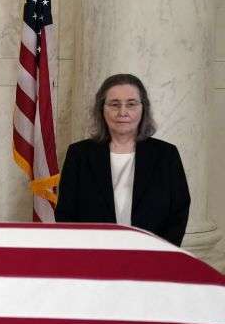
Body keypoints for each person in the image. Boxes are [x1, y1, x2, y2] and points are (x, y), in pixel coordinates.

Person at [55, 74, 190, 246]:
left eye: (131, 104)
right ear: (101, 109)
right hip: (93, 257)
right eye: (114, 104)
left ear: (143, 109)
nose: (122, 112)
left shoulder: (166, 155)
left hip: (152, 257)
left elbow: (179, 212)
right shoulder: (79, 154)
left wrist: (162, 253)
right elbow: (65, 213)